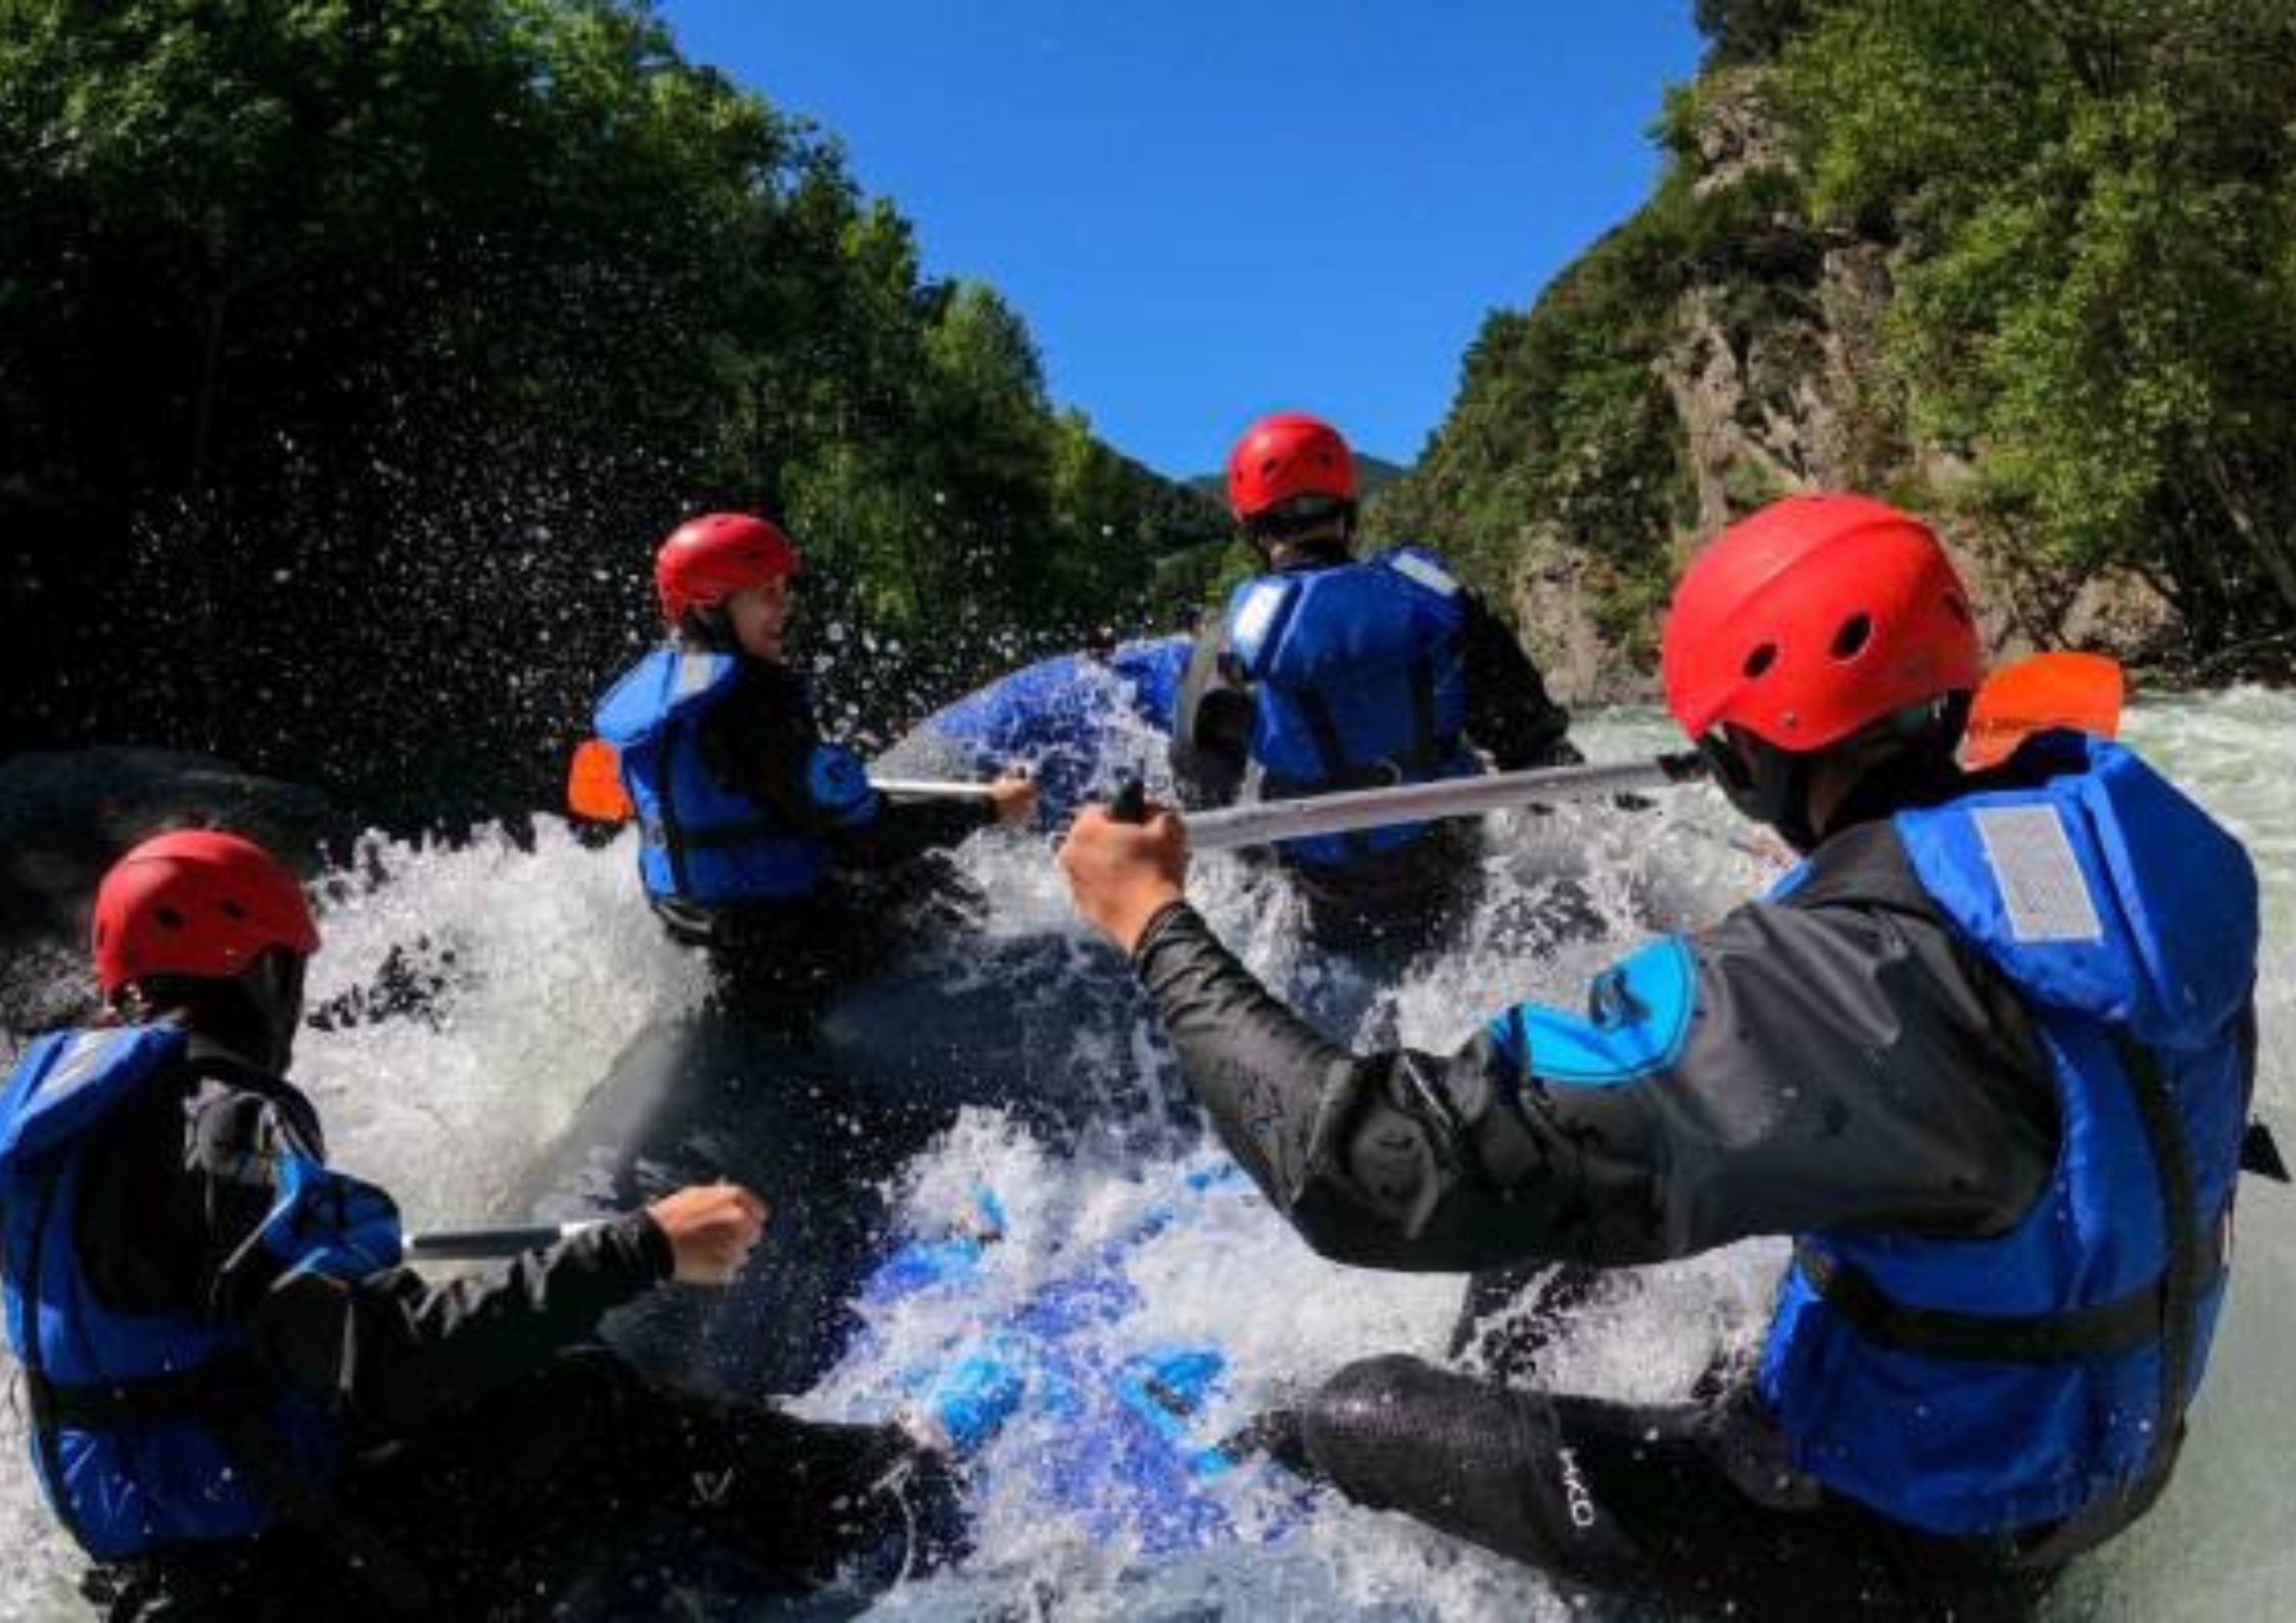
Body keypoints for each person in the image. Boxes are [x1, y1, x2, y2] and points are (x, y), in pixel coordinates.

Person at [1058, 493, 2267, 1618]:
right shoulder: (2145, 863)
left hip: (1904, 1562)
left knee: (1356, 1412)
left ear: (1742, 765)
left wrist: (1150, 921)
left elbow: (1373, 1174)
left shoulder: (1835, 988)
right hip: (2086, 1473)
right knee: (1567, 1212)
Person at [0, 830, 962, 1619]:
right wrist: (646, 1246)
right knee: (592, 1401)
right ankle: (892, 1502)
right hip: (297, 1579)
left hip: (170, 1580)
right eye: (289, 972)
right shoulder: (227, 1128)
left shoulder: (73, 1130)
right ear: (256, 974)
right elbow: (383, 1365)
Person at [1167, 411, 1578, 945]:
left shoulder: (1227, 643)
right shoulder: (1435, 598)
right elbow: (1530, 735)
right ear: (1348, 508)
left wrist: (1251, 865)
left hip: (1321, 896)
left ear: (1252, 526)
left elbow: (1201, 791)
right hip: (1453, 866)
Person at [593, 512, 1034, 1005]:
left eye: (784, 590)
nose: (784, 608)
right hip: (783, 953)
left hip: (694, 928)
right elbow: (868, 841)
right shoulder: (749, 708)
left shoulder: (667, 693)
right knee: (933, 886)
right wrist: (990, 807)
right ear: (711, 607)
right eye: (766, 594)